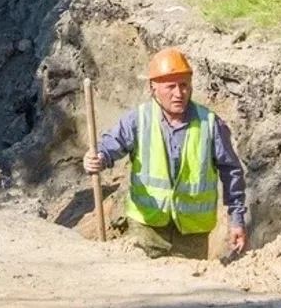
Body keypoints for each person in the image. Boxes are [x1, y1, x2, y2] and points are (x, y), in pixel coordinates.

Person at [83, 48, 249, 260]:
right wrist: (98, 158)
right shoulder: (139, 119)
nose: (179, 93)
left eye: (184, 85)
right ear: (153, 88)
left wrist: (237, 219)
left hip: (192, 233)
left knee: (187, 288)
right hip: (147, 229)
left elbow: (231, 171)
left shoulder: (209, 123)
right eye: (171, 87)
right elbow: (110, 145)